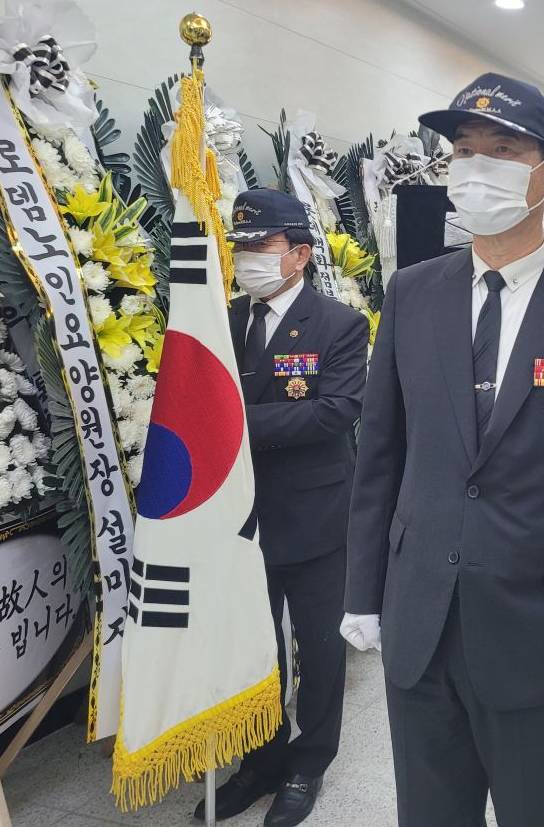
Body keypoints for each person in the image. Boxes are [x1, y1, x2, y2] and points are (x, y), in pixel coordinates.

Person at [342, 73, 544, 827]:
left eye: (503, 151)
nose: (477, 168)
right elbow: (380, 456)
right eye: (464, 151)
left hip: (541, 631)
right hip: (420, 620)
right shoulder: (412, 293)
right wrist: (361, 591)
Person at [199, 189, 368, 827]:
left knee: (320, 650)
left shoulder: (339, 325)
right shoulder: (226, 320)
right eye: (240, 244)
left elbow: (335, 412)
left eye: (260, 244)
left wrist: (234, 424)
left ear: (299, 254)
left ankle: (308, 763)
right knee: (255, 646)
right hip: (241, 518)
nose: (247, 256)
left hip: (315, 516)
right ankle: (263, 759)